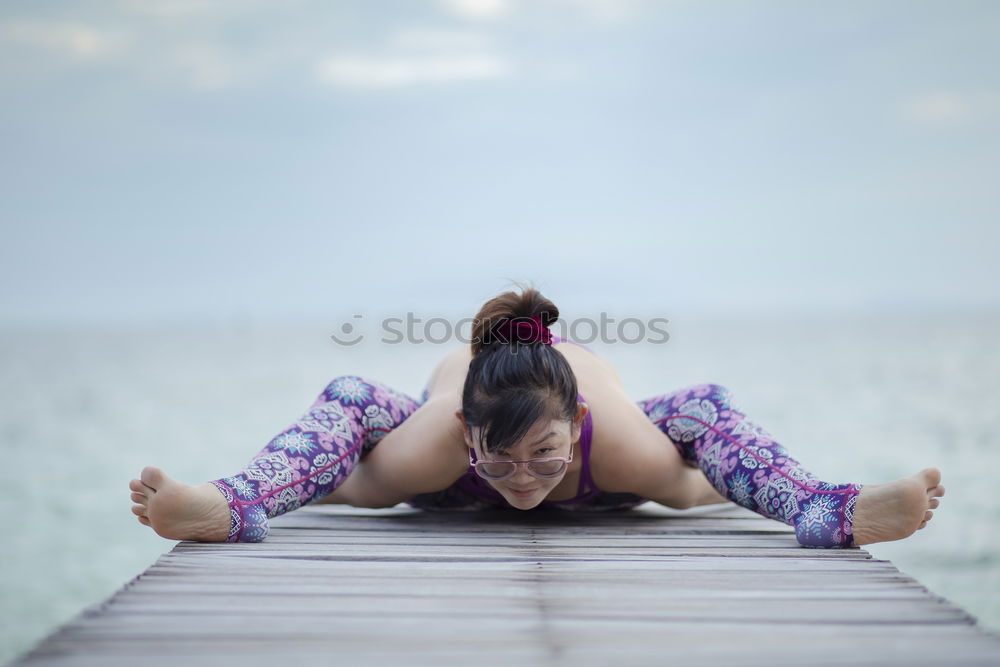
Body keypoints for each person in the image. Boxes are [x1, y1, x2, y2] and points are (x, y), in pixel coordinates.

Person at [129, 285, 944, 548]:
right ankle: (233, 500)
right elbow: (365, 487)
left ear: (577, 425)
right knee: (348, 403)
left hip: (612, 481)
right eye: (504, 458)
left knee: (704, 418)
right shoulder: (441, 433)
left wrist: (775, 497)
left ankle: (828, 506)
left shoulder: (615, 436)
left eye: (542, 454)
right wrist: (281, 495)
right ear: (466, 435)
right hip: (446, 482)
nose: (524, 477)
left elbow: (698, 490)